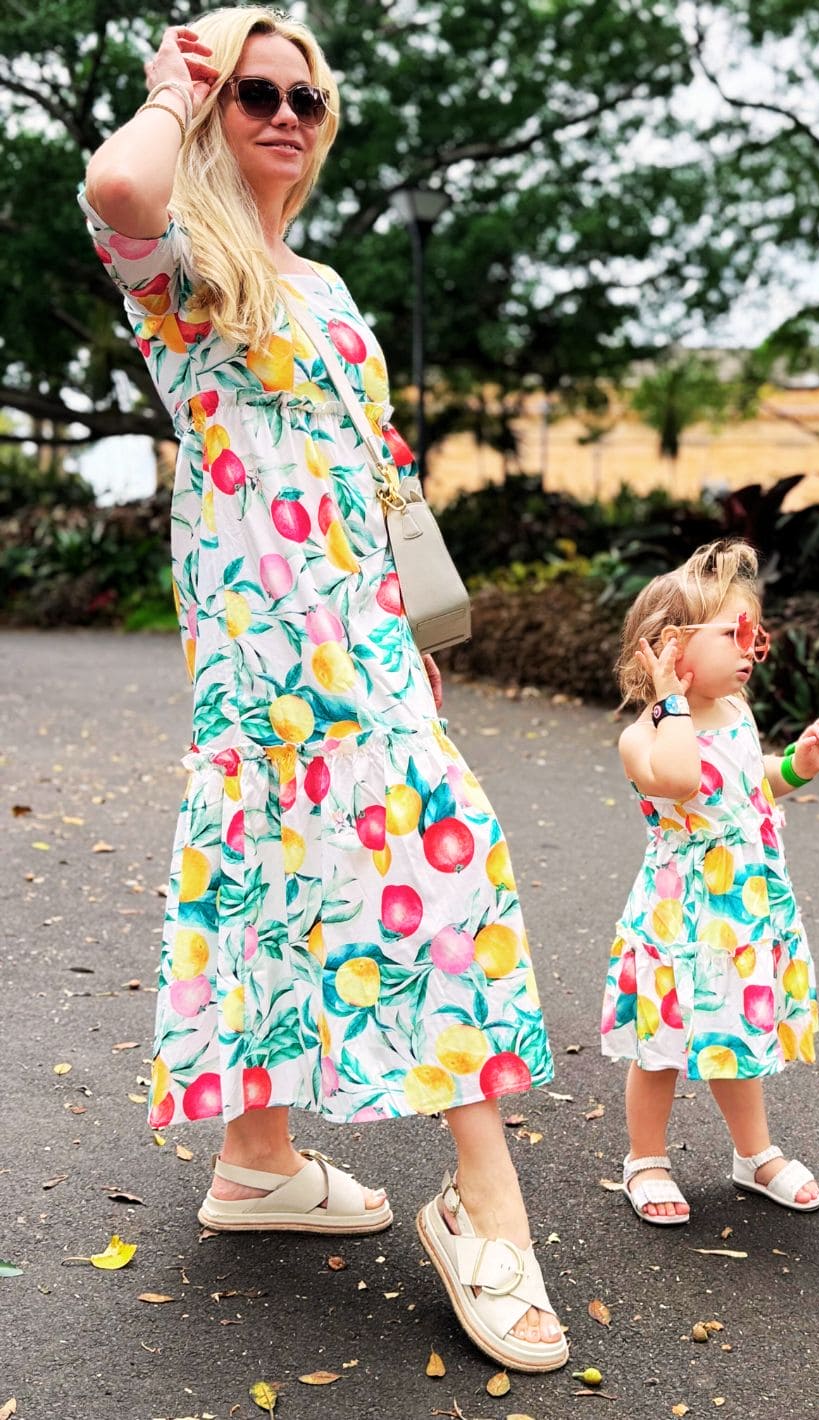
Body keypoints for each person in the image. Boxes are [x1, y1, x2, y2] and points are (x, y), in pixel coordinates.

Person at [80, 7, 566, 1372]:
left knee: (326, 876)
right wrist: (172, 93)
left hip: (358, 646)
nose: (284, 111)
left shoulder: (333, 287)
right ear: (213, 107)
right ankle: (486, 1217)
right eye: (253, 91)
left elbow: (365, 470)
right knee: (390, 874)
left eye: (304, 92)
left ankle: (258, 1164)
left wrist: (406, 622)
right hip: (266, 661)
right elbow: (117, 187)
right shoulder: (184, 268)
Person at [601, 541, 819, 1224]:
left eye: (753, 634)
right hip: (681, 920)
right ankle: (644, 1161)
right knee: (662, 1046)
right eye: (734, 634)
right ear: (668, 648)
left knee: (737, 1037)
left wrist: (799, 764)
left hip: (743, 912)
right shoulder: (643, 736)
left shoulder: (736, 715)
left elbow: (749, 782)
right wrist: (671, 701)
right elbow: (679, 779)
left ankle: (754, 1154)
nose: (750, 648)